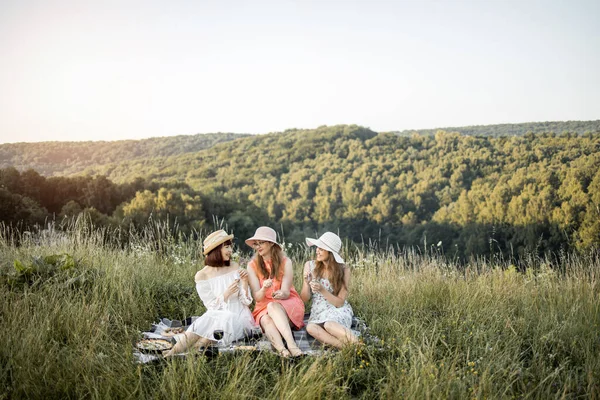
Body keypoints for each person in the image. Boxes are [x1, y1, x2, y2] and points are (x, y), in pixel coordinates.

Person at [163, 229, 255, 356]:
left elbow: (247, 302)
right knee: (203, 323)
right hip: (216, 316)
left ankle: (188, 356)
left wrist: (244, 282)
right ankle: (172, 353)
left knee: (219, 323)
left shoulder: (234, 267)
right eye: (227, 247)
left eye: (230, 247)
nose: (230, 251)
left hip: (239, 318)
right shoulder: (202, 275)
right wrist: (225, 294)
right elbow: (211, 306)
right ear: (216, 250)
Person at [246, 226, 305, 357]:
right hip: (263, 306)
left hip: (287, 303)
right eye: (256, 244)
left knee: (273, 305)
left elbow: (286, 292)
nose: (258, 246)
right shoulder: (252, 265)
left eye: (262, 242)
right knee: (266, 319)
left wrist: (281, 294)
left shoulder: (286, 262)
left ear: (271, 243)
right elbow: (257, 297)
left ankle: (291, 345)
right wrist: (264, 288)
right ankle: (283, 351)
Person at [300, 232, 358, 348]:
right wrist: (306, 284)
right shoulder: (309, 265)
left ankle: (357, 344)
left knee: (329, 325)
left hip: (337, 309)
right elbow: (304, 299)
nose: (317, 251)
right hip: (318, 310)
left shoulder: (344, 269)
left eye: (321, 248)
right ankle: (346, 347)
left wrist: (322, 290)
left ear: (330, 252)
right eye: (317, 247)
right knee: (311, 327)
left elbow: (340, 302)